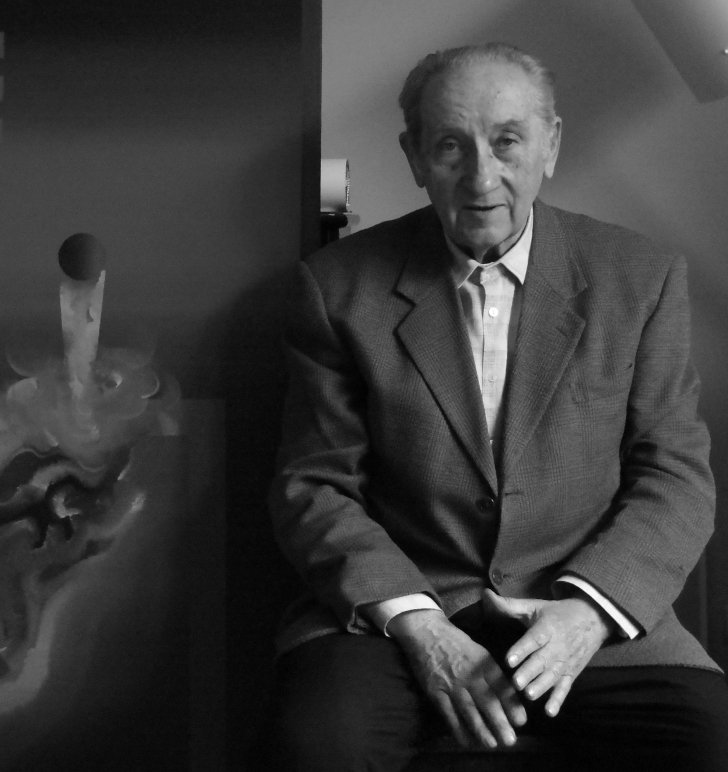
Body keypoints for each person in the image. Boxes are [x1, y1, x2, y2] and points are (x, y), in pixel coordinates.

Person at [264, 42, 728, 770]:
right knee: (319, 746)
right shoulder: (337, 288)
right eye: (451, 146)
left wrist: (587, 612)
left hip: (582, 609)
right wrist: (421, 627)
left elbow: (675, 475)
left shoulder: (640, 276)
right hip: (404, 612)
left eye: (507, 141)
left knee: (711, 744)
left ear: (551, 145)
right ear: (415, 157)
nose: (482, 177)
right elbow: (314, 486)